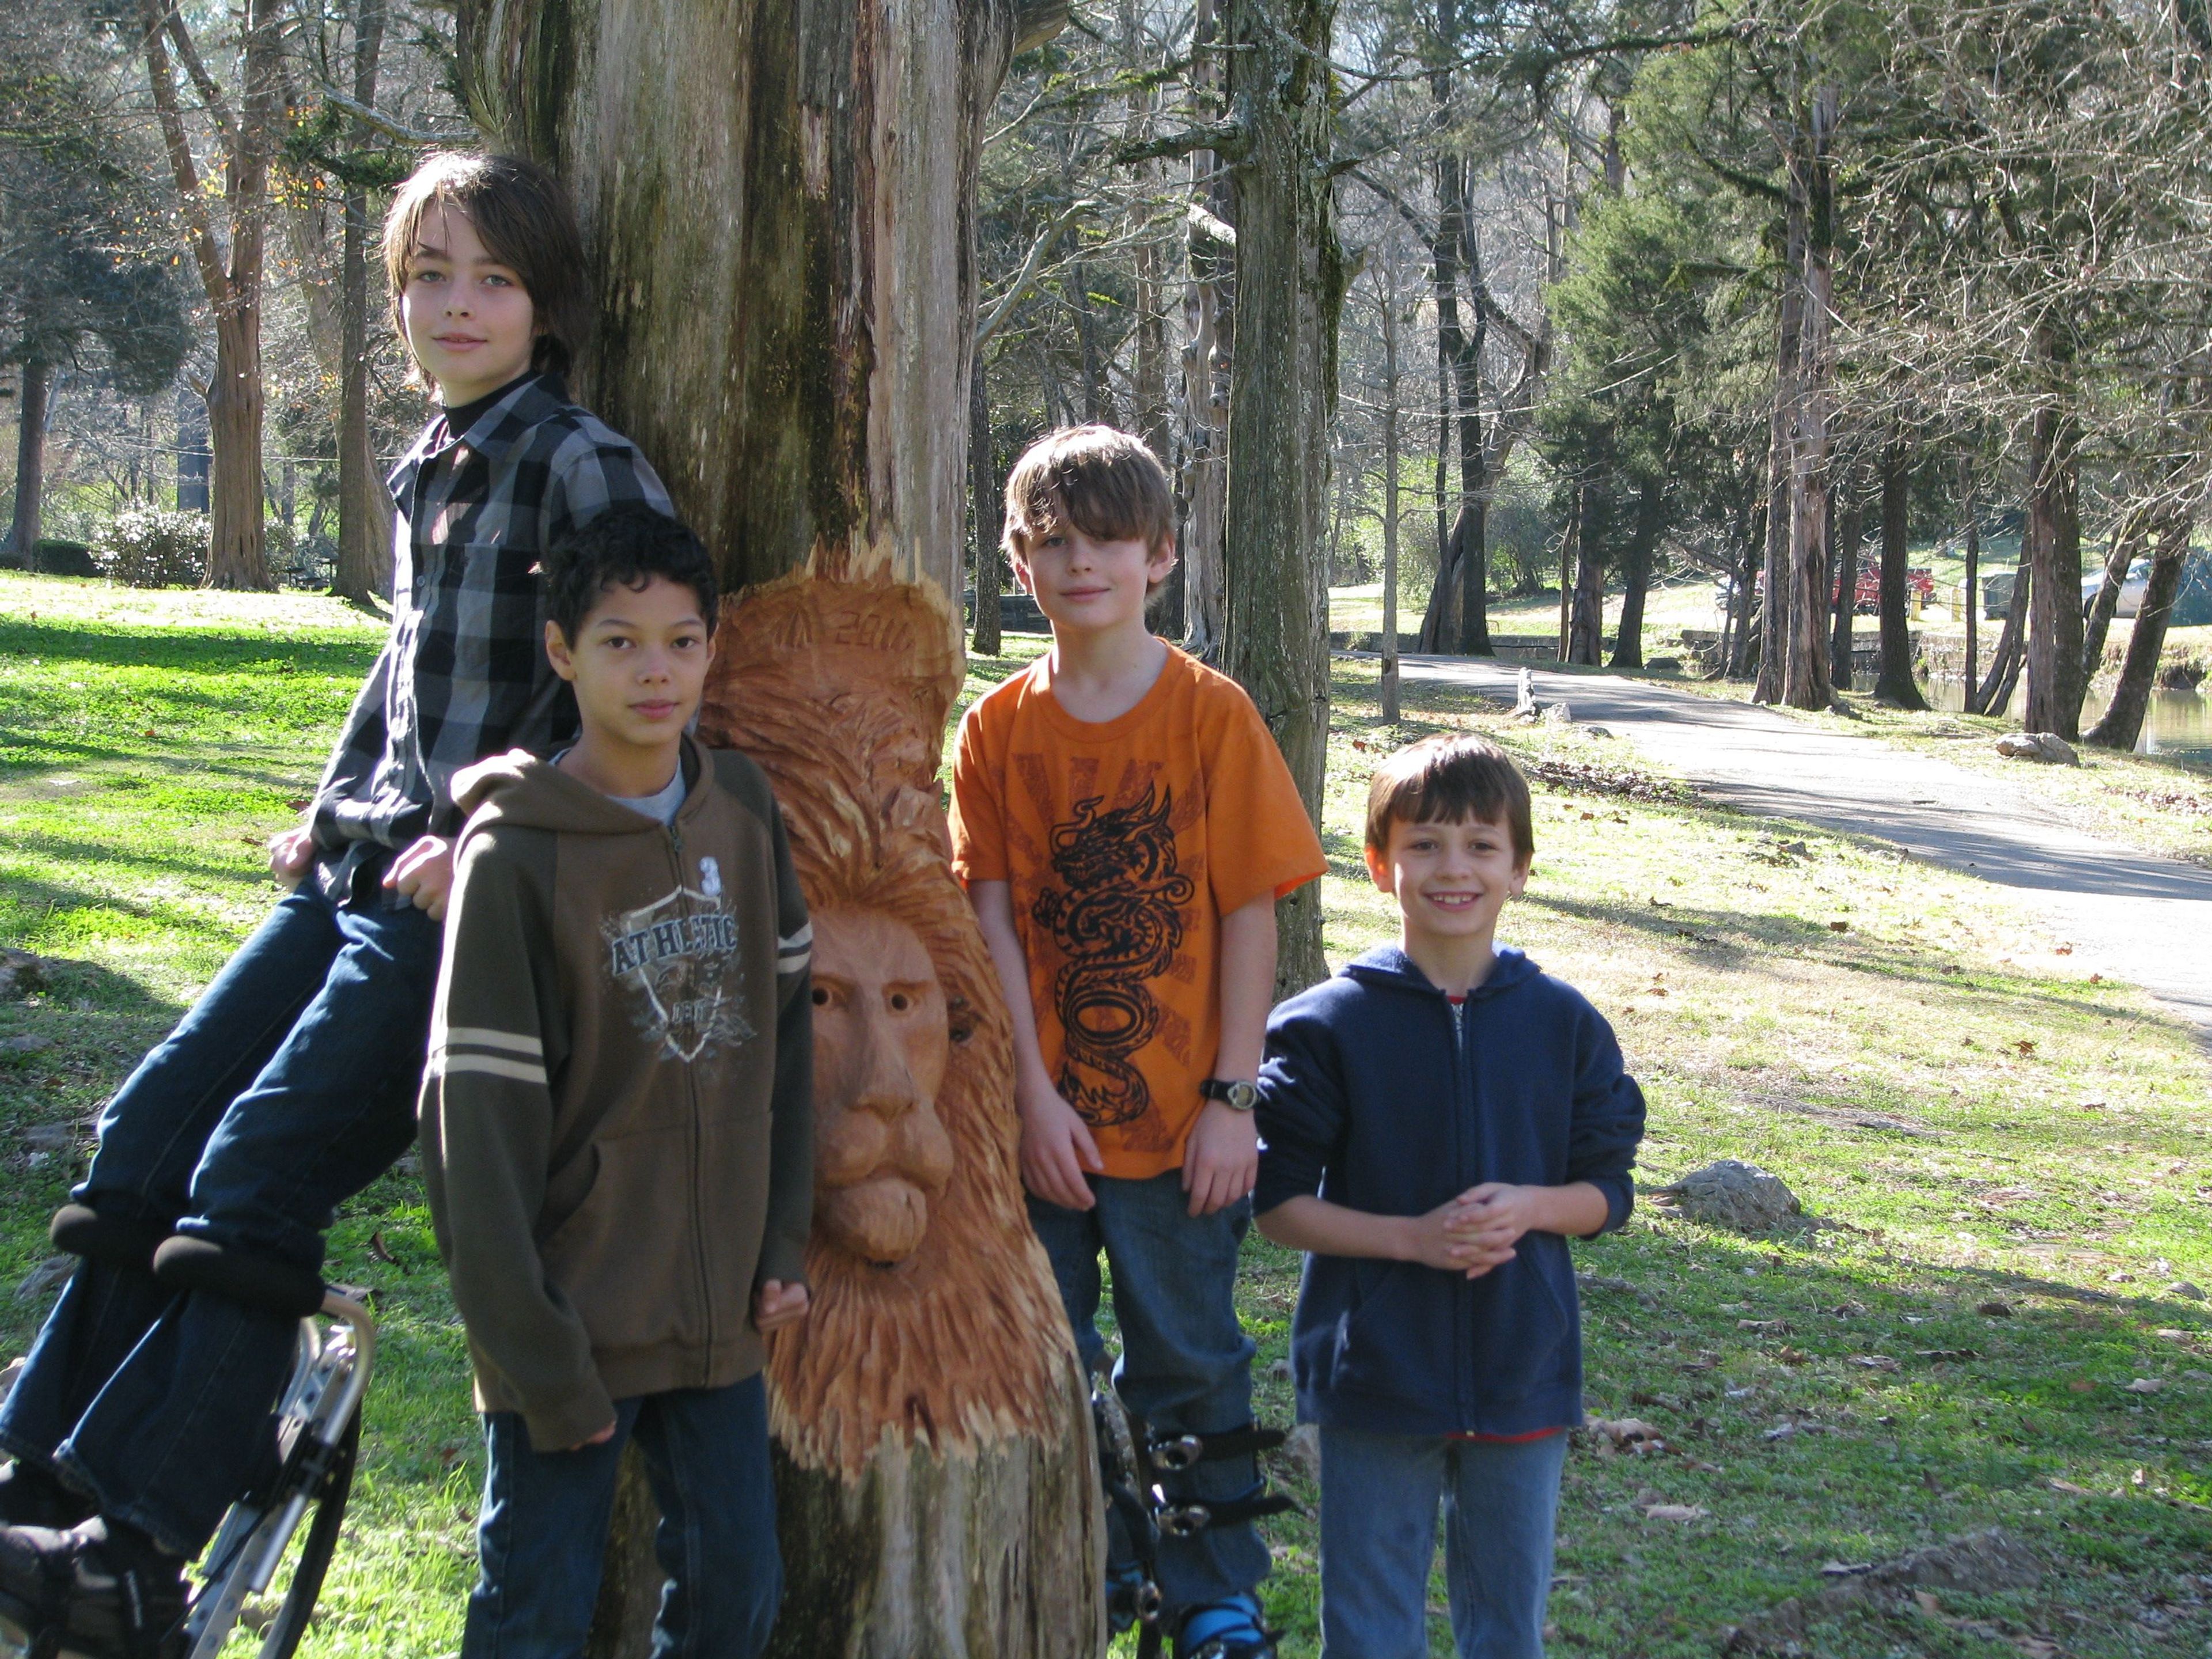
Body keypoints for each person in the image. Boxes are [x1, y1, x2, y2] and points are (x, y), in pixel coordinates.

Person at [0, 150, 671, 1658]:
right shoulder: (427, 457)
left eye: (491, 278)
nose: (456, 305)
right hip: (362, 863)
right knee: (153, 1121)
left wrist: (495, 827)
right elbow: (409, 661)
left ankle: (141, 1543)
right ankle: (35, 1470)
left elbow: (642, 690)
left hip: (469, 909)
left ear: (544, 304)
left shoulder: (584, 465)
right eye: (428, 276)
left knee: (258, 1165)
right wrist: (330, 794)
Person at [948, 425, 1327, 1659]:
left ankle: (1214, 1591)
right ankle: (1092, 1568)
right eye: (1053, 543)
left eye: (1109, 540)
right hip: (1046, 1126)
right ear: (1018, 562)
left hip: (1179, 1129)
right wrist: (1026, 1102)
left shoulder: (1210, 717)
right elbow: (992, 920)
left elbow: (1249, 914)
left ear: (1161, 554)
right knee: (1049, 1360)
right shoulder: (997, 732)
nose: (1082, 565)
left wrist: (1233, 1097)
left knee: (1190, 1359)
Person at [419, 505, 813, 1659]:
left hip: (717, 1325)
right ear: (561, 652)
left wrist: (781, 1241)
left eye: (682, 641)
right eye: (620, 642)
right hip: (570, 1324)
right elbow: (470, 1133)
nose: (657, 672)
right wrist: (538, 1356)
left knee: (737, 1598)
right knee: (533, 1612)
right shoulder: (516, 857)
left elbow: (788, 1043)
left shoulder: (742, 812)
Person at [1251, 734, 1647, 1659]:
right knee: (1369, 1630)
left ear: (1521, 869)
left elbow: (1608, 1190)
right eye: (1424, 844)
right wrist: (1411, 1240)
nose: (1452, 868)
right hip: (1374, 1373)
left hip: (1523, 1367)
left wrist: (1533, 1207)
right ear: (1379, 864)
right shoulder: (1325, 1025)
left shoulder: (1565, 1025)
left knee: (1507, 1631)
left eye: (1480, 844)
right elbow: (1277, 1207)